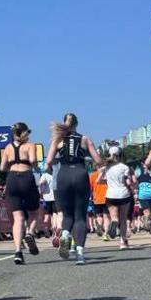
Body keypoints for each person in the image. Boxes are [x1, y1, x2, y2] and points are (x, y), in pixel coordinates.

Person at [46, 113, 102, 265]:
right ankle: (80, 255)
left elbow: (49, 160)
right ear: (77, 124)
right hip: (80, 173)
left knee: (67, 214)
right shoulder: (85, 139)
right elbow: (98, 160)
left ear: (65, 124)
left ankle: (64, 234)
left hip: (63, 175)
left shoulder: (58, 139)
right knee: (80, 216)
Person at [1, 122, 41, 265]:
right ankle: (30, 233)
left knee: (17, 218)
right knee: (35, 213)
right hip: (26, 178)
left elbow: (2, 167)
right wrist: (35, 166)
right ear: (24, 133)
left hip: (12, 179)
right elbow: (33, 160)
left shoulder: (7, 147)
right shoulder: (30, 146)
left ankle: (18, 252)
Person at [102, 147, 134, 250]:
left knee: (114, 217)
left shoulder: (106, 167)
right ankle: (123, 242)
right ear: (120, 155)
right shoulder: (125, 167)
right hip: (123, 194)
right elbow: (128, 182)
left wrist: (108, 182)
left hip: (111, 194)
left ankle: (114, 222)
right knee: (123, 219)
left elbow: (99, 180)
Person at [37, 165, 60, 246]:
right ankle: (55, 229)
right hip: (55, 197)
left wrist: (41, 191)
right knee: (55, 215)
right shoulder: (54, 175)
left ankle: (46, 230)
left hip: (47, 198)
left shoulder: (44, 175)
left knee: (47, 216)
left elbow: (41, 183)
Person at [136, 167, 151, 241]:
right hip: (143, 197)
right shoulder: (139, 175)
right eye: (145, 167)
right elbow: (134, 178)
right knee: (148, 214)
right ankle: (146, 225)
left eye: (147, 167)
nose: (146, 169)